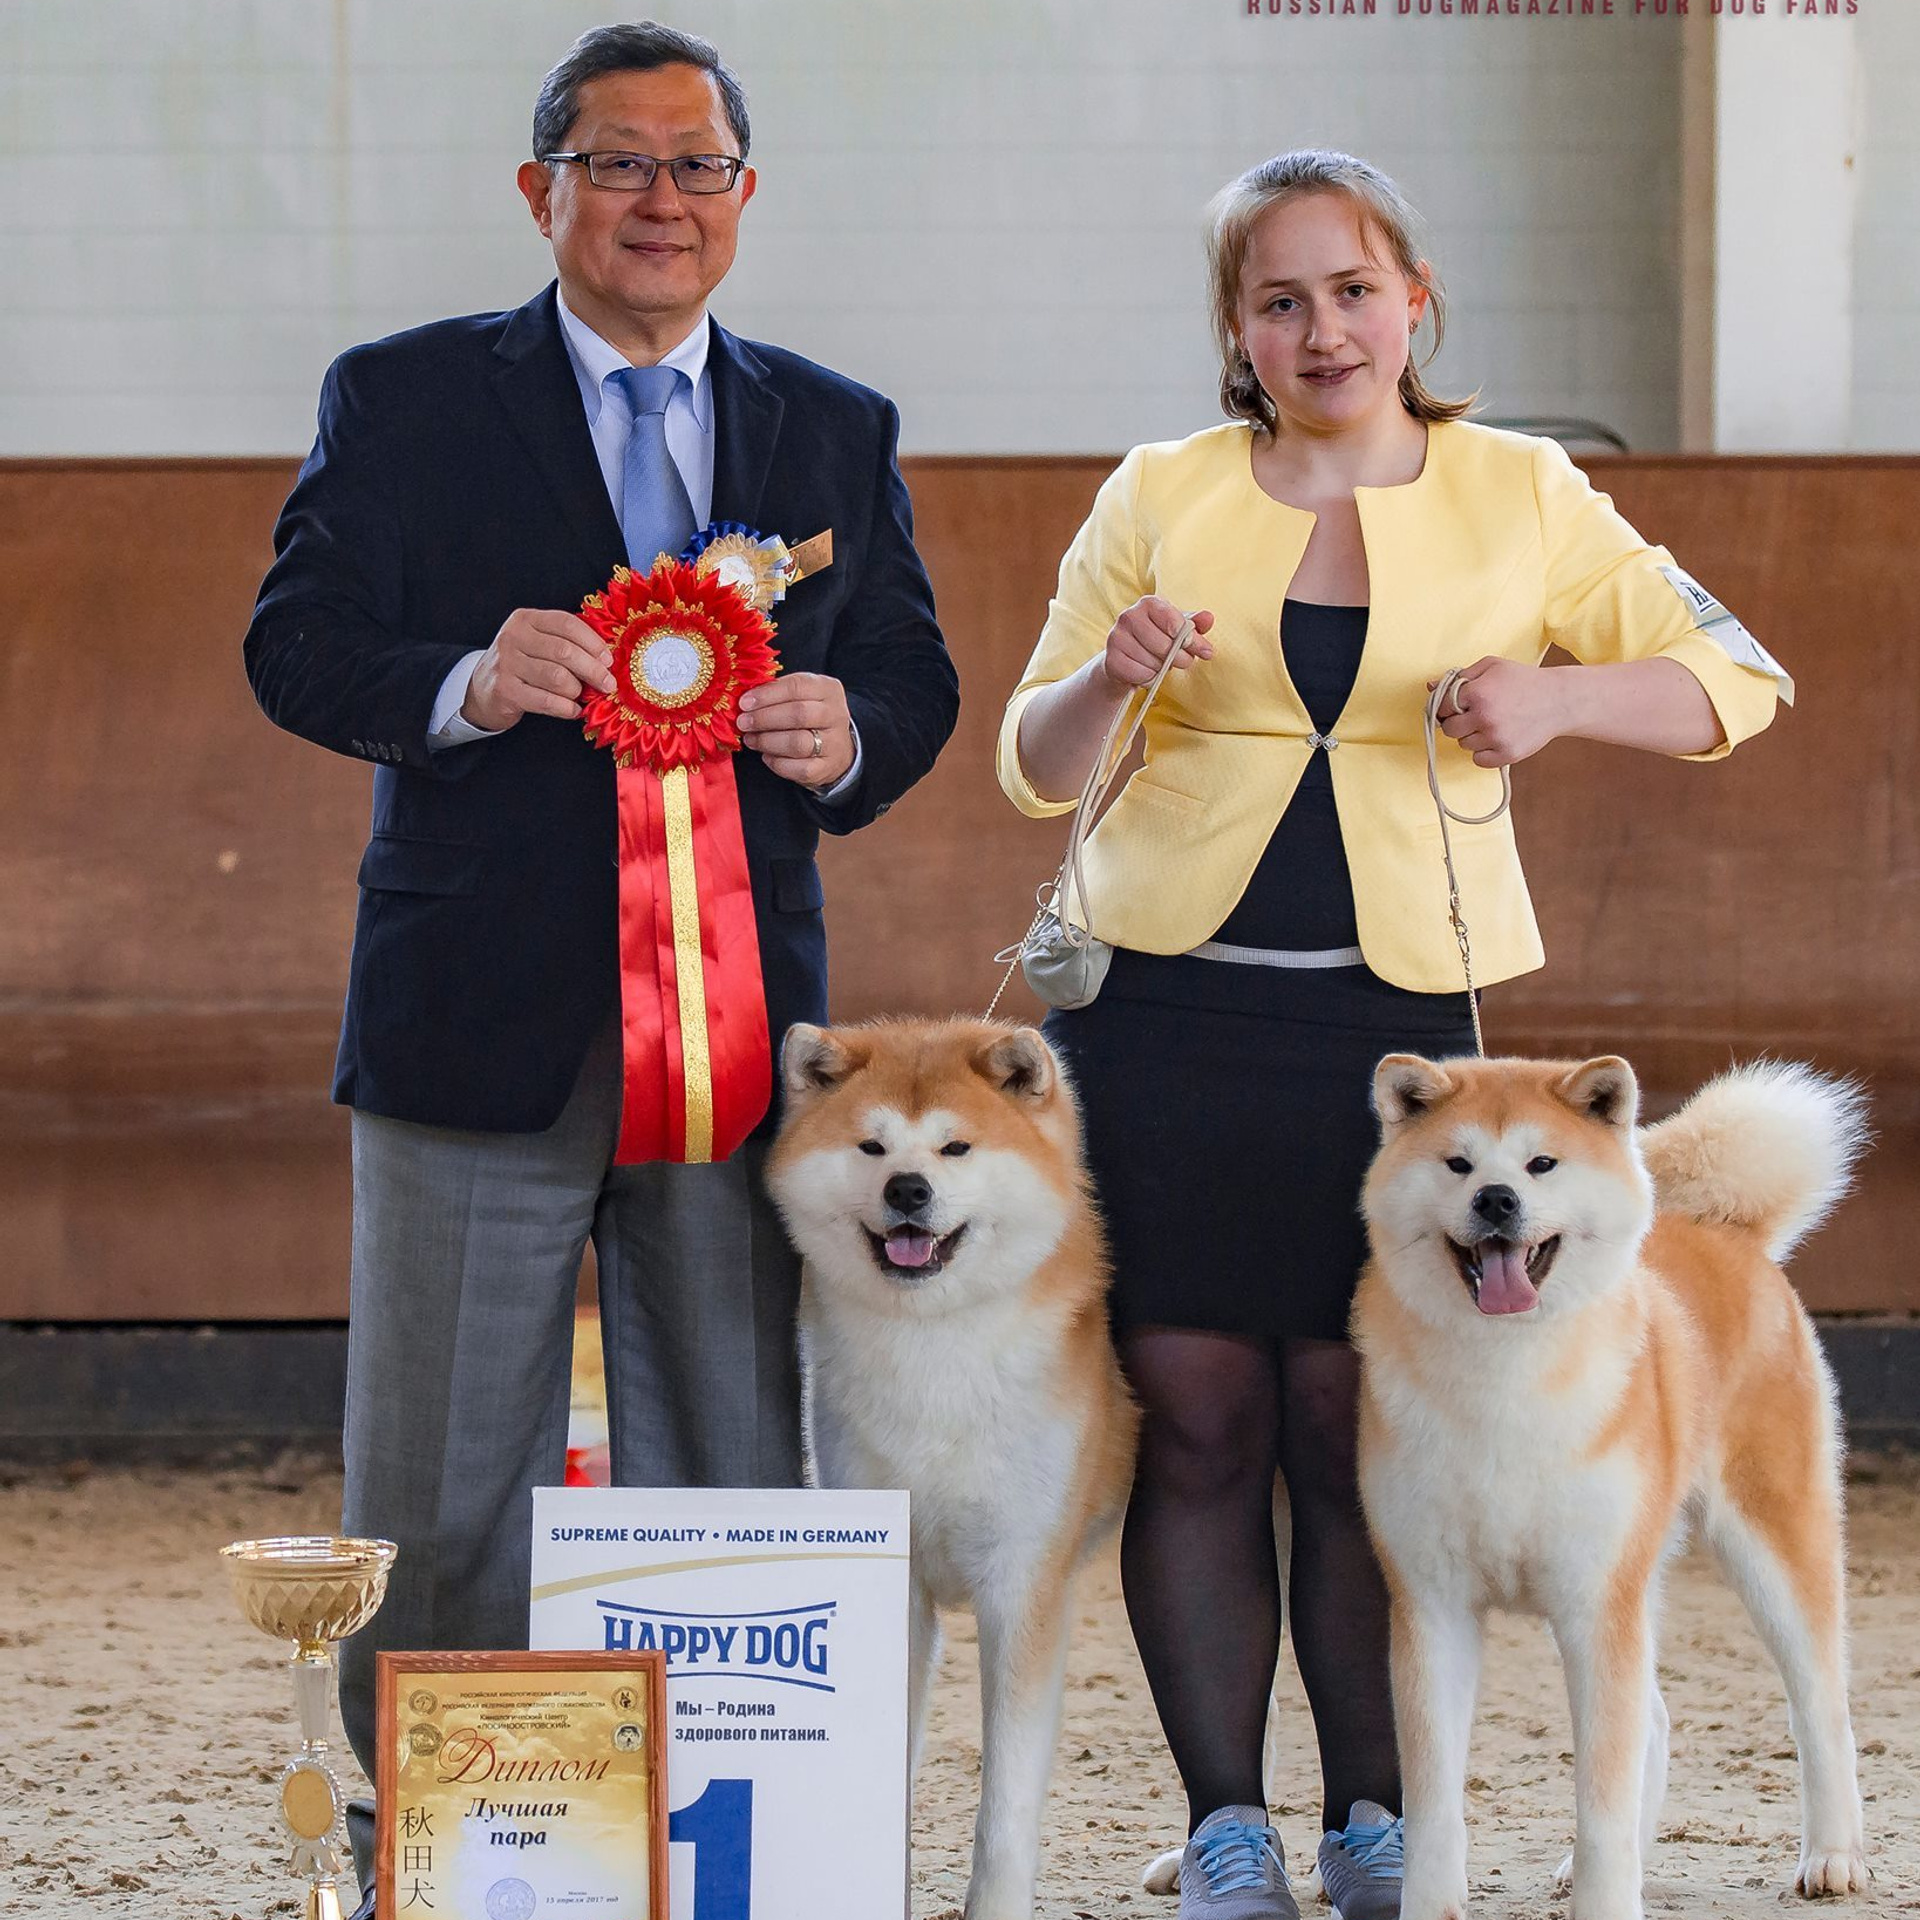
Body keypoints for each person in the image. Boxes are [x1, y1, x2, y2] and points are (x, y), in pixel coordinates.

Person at [996, 150, 1787, 1920]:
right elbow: (1026, 761)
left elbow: (1735, 680)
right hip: (1161, 1017)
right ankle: (1226, 1830)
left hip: (1398, 1035)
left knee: (1363, 1419)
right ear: (1236, 331)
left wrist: (1561, 697)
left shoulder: (1525, 491)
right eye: (1278, 299)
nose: (1322, 327)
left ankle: (1375, 1822)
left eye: (1352, 289)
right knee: (1196, 1416)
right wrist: (1105, 679)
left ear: (1414, 297)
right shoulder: (1158, 487)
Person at [244, 23, 957, 1910]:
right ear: (538, 187)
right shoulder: (401, 399)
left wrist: (843, 729)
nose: (662, 199)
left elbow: (914, 679)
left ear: (745, 196)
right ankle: (461, 1854)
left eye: (697, 165)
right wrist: (470, 682)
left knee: (732, 1453)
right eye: (620, 163)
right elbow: (298, 645)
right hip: (468, 1023)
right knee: (439, 1478)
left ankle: (733, 1857)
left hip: (737, 1040)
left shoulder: (836, 424)